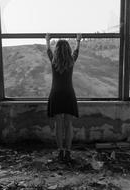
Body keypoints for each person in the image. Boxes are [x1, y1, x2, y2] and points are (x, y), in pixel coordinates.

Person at [46, 33, 82, 162]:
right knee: (68, 124)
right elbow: (77, 51)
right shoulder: (71, 61)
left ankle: (60, 150)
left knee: (59, 125)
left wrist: (47, 40)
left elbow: (48, 51)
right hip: (68, 93)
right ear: (68, 50)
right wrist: (78, 41)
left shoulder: (53, 61)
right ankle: (68, 151)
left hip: (56, 93)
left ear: (56, 50)